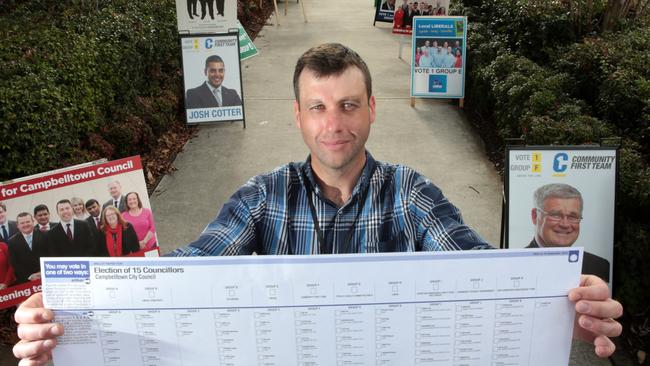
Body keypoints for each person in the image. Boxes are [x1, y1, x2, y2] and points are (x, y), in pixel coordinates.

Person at [12, 43, 623, 364]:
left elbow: (479, 270)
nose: (336, 124)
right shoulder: (261, 196)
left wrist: (556, 303)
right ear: (298, 117)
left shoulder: (410, 193)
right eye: (319, 107)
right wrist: (72, 309)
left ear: (373, 109)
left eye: (350, 105)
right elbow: (187, 270)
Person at [528, 183, 611, 282]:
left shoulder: (598, 266)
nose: (565, 224)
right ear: (535, 216)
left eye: (573, 217)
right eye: (556, 215)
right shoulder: (513, 265)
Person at [7, 213, 45, 284]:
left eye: (28, 222)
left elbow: (50, 255)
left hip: (46, 276)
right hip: (26, 281)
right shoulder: (12, 242)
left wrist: (42, 272)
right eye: (22, 223)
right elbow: (14, 263)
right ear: (18, 225)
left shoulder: (45, 235)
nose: (25, 225)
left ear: (33, 222)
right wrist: (30, 276)